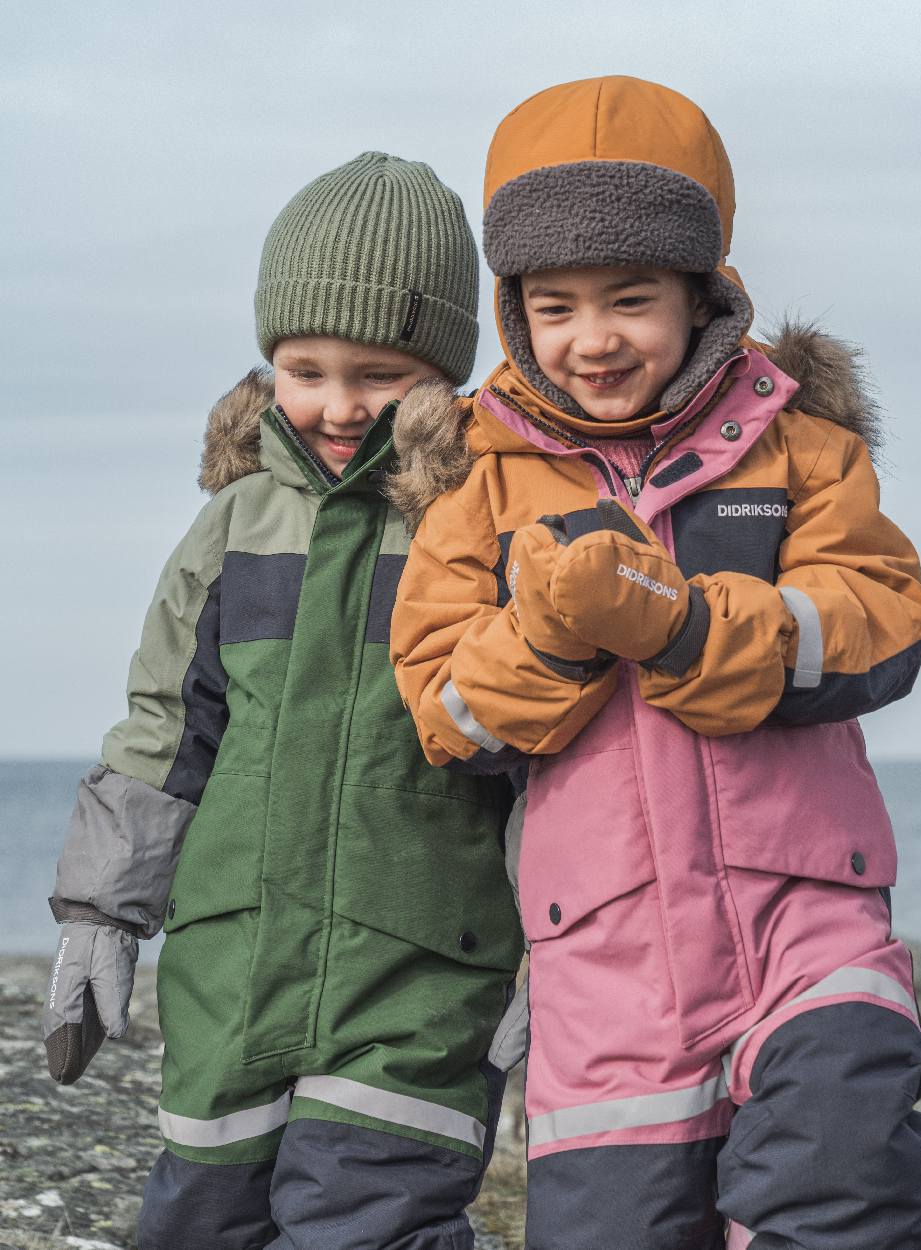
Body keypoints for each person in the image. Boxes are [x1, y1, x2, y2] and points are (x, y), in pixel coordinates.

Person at [389, 78, 921, 1249]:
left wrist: (687, 629)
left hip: (807, 911)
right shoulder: (476, 480)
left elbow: (883, 621)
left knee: (846, 1171)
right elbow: (443, 710)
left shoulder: (800, 445)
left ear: (701, 292)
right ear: (512, 312)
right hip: (605, 960)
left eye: (631, 299)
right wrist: (549, 637)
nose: (593, 338)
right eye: (555, 306)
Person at [42, 151, 522, 1250]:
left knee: (370, 1218)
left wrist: (573, 948)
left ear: (443, 372)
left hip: (419, 967)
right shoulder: (234, 525)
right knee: (200, 1221)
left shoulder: (481, 525)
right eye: (304, 369)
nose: (338, 404)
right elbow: (165, 729)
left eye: (379, 374)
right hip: (233, 966)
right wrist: (102, 913)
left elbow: (545, 752)